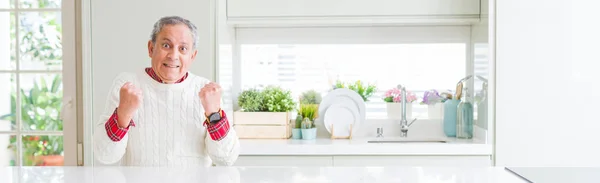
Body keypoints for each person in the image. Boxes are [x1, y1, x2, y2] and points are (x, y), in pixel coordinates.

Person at [93, 16, 240, 167]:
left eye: (182, 49)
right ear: (151, 48)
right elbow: (105, 155)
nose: (173, 56)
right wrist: (123, 113)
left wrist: (214, 114)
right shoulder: (127, 85)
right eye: (166, 45)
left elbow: (226, 159)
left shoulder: (206, 91)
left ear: (192, 55)